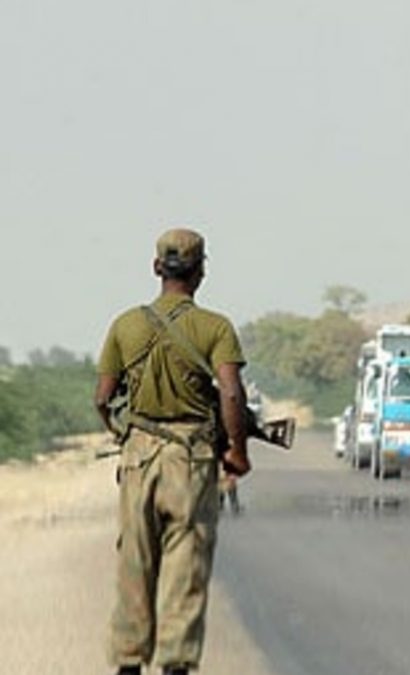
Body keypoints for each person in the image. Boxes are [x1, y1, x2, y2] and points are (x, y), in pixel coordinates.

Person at [94, 227, 251, 675]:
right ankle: (175, 665)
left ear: (157, 268)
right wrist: (237, 451)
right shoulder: (216, 327)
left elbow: (102, 398)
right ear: (200, 272)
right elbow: (232, 395)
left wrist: (123, 436)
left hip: (139, 455)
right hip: (191, 458)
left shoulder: (125, 324)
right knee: (186, 563)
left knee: (134, 561)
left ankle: (127, 661)